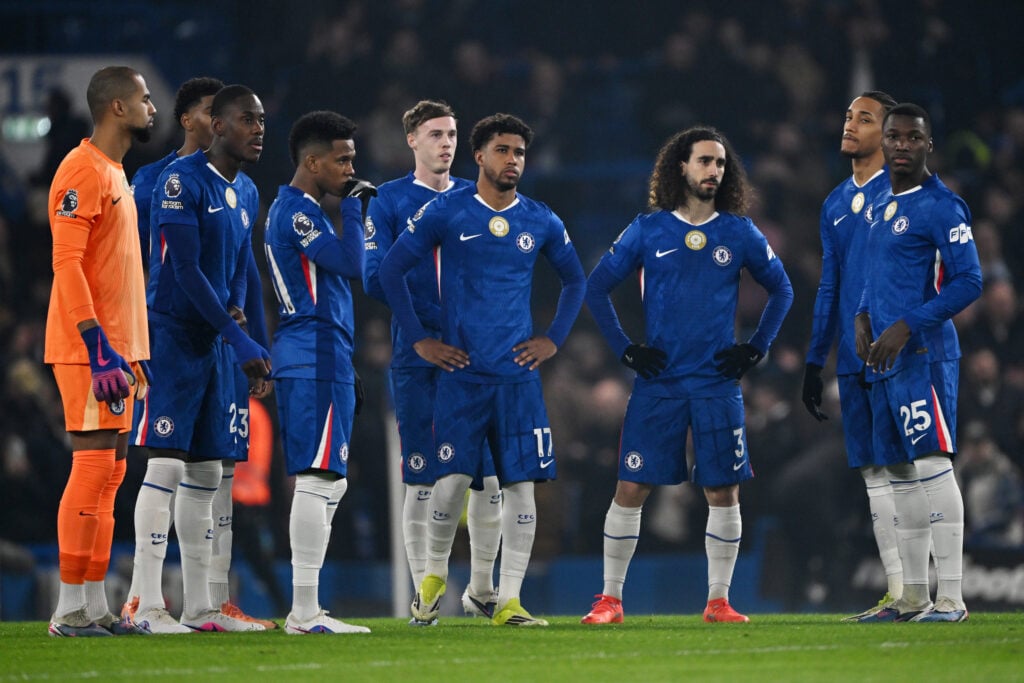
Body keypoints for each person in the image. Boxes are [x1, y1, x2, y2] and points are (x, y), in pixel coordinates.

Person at [379, 113, 585, 626]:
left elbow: (576, 280)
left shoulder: (540, 219)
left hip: (518, 378)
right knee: (450, 484)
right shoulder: (446, 211)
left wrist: (553, 339)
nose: (513, 160)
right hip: (463, 375)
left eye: (520, 152)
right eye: (502, 150)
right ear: (479, 156)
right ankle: (432, 574)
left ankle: (508, 599)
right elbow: (391, 269)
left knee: (521, 488)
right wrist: (421, 339)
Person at [581, 126, 793, 625]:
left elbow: (782, 289)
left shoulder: (739, 232)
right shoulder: (648, 229)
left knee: (723, 491)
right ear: (681, 166)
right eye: (704, 161)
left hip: (718, 384)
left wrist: (756, 348)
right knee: (631, 487)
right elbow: (596, 288)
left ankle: (718, 601)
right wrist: (626, 349)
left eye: (720, 163)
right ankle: (610, 600)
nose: (713, 170)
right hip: (660, 384)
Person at [122, 77, 275, 631]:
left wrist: (250, 335)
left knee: (208, 472)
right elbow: (183, 270)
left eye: (262, 121)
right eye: (248, 120)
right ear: (216, 125)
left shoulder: (247, 191)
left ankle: (202, 605)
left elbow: (241, 267)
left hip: (216, 342)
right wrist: (238, 337)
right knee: (164, 463)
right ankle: (144, 603)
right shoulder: (176, 181)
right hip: (173, 336)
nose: (258, 130)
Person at [363, 100, 502, 623]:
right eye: (435, 134)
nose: (446, 143)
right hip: (417, 354)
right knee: (420, 474)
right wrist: (424, 328)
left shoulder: (475, 196)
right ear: (412, 140)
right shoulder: (388, 200)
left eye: (452, 134)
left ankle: (483, 589)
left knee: (486, 476)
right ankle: (426, 592)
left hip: (475, 355)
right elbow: (374, 277)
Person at [854, 102, 982, 622]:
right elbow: (876, 271)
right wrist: (862, 314)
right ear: (883, 142)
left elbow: (970, 281)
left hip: (924, 355)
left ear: (929, 144)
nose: (902, 145)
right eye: (894, 136)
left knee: (931, 463)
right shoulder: (881, 202)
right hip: (884, 359)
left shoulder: (942, 207)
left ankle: (951, 597)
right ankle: (912, 596)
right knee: (900, 473)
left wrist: (909, 324)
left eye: (913, 137)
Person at [43, 65, 156, 637]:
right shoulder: (80, 169)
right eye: (144, 98)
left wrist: (132, 352)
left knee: (111, 476)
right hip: (89, 350)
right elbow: (66, 264)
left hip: (118, 353)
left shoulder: (115, 172)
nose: (151, 107)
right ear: (117, 107)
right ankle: (67, 609)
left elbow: (116, 273)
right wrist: (98, 347)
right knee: (90, 470)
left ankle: (93, 605)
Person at [263, 110, 375, 635]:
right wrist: (353, 208)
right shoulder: (297, 213)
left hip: (322, 354)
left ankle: (306, 606)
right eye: (342, 160)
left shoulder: (299, 209)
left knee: (333, 481)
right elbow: (353, 265)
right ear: (312, 162)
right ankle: (304, 611)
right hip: (314, 352)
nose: (351, 171)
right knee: (318, 477)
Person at [801, 91, 907, 620]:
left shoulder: (905, 192)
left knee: (912, 469)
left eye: (864, 119)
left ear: (888, 135)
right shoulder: (836, 203)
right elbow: (829, 287)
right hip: (851, 357)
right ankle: (899, 591)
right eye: (847, 116)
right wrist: (813, 360)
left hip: (898, 353)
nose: (849, 124)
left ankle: (936, 591)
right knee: (873, 474)